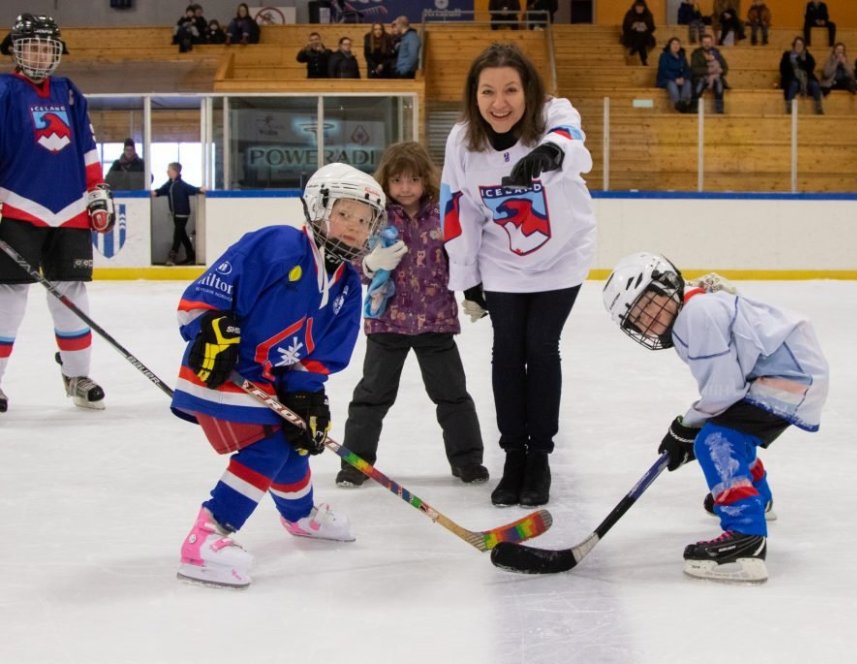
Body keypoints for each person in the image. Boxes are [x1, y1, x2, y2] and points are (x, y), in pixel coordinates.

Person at [171, 162, 386, 588]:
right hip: (224, 372)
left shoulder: (346, 286)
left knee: (293, 443)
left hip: (271, 383)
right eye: (344, 214)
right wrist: (211, 329)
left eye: (364, 221)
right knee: (269, 445)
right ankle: (206, 536)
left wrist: (307, 398)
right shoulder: (277, 245)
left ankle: (299, 516)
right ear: (318, 208)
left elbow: (320, 357)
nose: (353, 228)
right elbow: (199, 302)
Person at [602, 254, 828, 582]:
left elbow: (723, 391)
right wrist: (690, 426)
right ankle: (756, 498)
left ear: (667, 286)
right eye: (637, 318)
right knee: (726, 431)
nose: (648, 319)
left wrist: (686, 427)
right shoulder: (691, 306)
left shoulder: (696, 314)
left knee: (715, 440)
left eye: (649, 303)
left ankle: (745, 537)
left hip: (789, 376)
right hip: (789, 369)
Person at [441, 43, 596, 507]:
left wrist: (550, 153)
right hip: (502, 261)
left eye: (510, 89)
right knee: (508, 349)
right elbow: (458, 208)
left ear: (528, 90)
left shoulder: (553, 115)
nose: (500, 102)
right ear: (475, 95)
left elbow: (573, 142)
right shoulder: (462, 140)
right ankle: (513, 456)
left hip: (563, 253)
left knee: (541, 345)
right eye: (488, 91)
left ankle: (540, 456)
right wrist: (466, 274)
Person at [337, 142, 488, 488]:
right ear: (385, 181)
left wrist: (473, 292)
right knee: (371, 396)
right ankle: (355, 463)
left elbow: (463, 258)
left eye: (414, 179)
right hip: (386, 323)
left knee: (452, 395)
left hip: (435, 323)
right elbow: (351, 263)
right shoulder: (373, 216)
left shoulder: (443, 215)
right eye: (398, 180)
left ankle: (467, 461)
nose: (406, 187)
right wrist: (370, 264)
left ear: (427, 180)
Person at [0, 12, 116, 415]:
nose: (40, 53)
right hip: (17, 207)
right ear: (15, 49)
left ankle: (77, 375)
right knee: (8, 297)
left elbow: (87, 146)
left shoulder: (68, 91)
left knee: (72, 294)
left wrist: (97, 191)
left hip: (70, 210)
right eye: (32, 45)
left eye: (47, 46)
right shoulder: (3, 90)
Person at [152, 162, 204, 266]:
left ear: (175, 171)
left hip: (182, 213)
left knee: (178, 235)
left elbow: (191, 189)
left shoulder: (180, 184)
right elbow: (163, 190)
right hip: (176, 214)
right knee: (182, 234)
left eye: (169, 170)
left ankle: (172, 256)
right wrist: (156, 192)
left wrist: (199, 189)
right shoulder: (171, 184)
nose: (167, 172)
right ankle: (191, 256)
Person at [779, 36, 823, 114]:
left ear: (803, 46)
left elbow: (810, 69)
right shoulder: (787, 55)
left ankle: (818, 107)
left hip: (805, 79)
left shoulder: (808, 56)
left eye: (801, 45)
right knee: (794, 84)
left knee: (815, 84)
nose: (799, 47)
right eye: (797, 45)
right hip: (792, 78)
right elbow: (783, 70)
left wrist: (800, 60)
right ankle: (789, 106)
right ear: (794, 45)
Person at [690, 33, 728, 114]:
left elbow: (725, 68)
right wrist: (708, 70)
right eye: (705, 42)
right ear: (701, 43)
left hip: (715, 78)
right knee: (699, 85)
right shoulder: (696, 54)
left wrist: (720, 70)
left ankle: (719, 109)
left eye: (708, 42)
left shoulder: (717, 53)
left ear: (712, 43)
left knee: (719, 85)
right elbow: (694, 69)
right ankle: (694, 107)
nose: (707, 44)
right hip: (701, 77)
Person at [656, 37, 693, 113]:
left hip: (680, 79)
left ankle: (683, 104)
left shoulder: (682, 57)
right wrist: (675, 79)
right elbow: (663, 70)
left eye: (677, 44)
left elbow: (687, 70)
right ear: (669, 45)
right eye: (673, 44)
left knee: (688, 82)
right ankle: (678, 105)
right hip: (666, 79)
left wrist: (683, 78)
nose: (675, 46)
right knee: (672, 84)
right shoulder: (664, 56)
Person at [621, 0, 656, 67]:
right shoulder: (630, 13)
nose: (639, 9)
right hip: (632, 35)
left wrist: (646, 27)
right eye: (638, 7)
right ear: (635, 7)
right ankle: (644, 60)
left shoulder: (648, 14)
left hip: (645, 35)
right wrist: (633, 26)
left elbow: (652, 28)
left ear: (644, 8)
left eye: (641, 7)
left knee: (641, 35)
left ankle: (632, 51)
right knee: (640, 39)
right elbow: (625, 27)